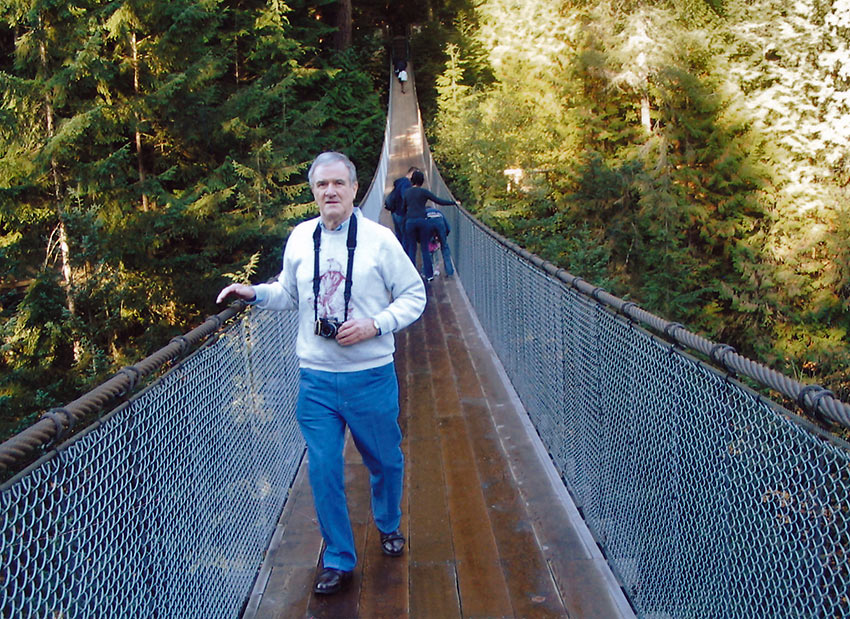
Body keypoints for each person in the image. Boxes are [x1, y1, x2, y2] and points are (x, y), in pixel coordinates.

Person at [216, 151, 426, 596]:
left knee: (385, 461)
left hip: (370, 375)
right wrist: (252, 292)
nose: (329, 192)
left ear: (354, 189)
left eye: (338, 184)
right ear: (314, 192)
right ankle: (338, 558)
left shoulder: (380, 241)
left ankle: (388, 523)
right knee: (324, 469)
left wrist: (375, 324)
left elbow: (414, 295)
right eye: (321, 185)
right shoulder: (299, 238)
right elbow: (288, 293)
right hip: (315, 379)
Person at [402, 170, 456, 281]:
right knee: (424, 249)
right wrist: (453, 202)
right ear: (422, 181)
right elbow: (438, 200)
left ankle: (411, 276)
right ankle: (429, 275)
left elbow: (403, 209)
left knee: (412, 248)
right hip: (422, 221)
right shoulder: (424, 192)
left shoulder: (406, 193)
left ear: (412, 181)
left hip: (410, 222)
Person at [384, 166, 417, 240]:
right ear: (411, 174)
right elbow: (404, 196)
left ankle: (399, 250)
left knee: (399, 234)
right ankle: (404, 251)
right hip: (401, 213)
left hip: (394, 211)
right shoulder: (407, 183)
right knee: (405, 236)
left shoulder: (400, 181)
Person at [425, 206, 455, 278]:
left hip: (428, 224)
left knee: (426, 249)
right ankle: (449, 271)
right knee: (444, 248)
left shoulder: (424, 212)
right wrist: (442, 238)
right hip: (440, 225)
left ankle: (427, 272)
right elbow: (448, 228)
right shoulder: (439, 212)